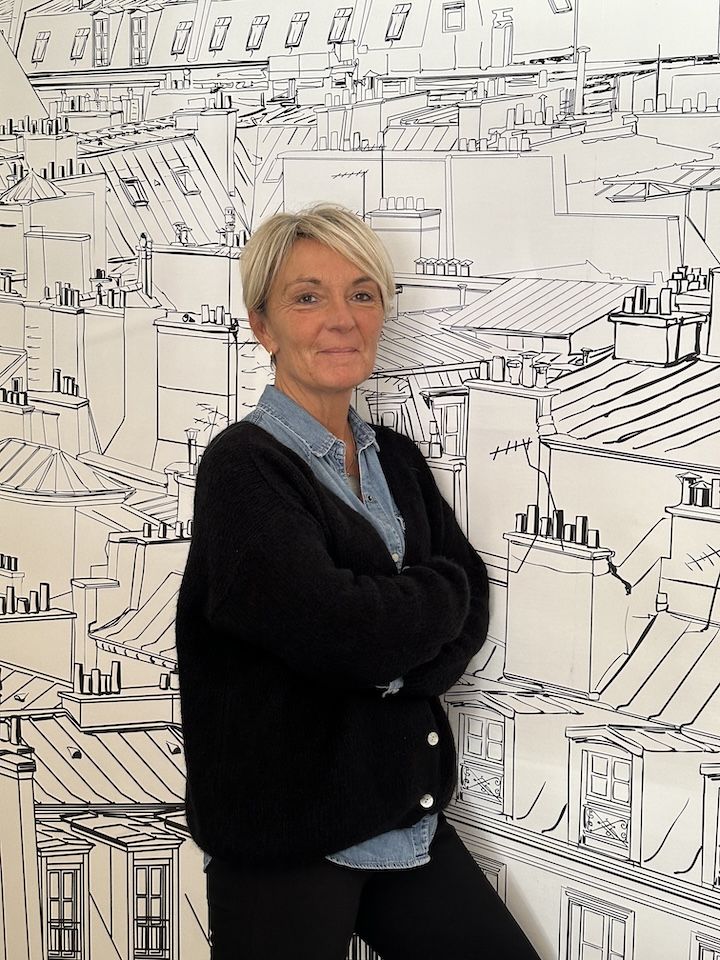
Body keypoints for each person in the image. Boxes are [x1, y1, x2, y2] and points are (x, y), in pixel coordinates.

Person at [175, 204, 540, 960]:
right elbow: (343, 631)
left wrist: (388, 655)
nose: (342, 318)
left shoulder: (395, 458)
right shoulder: (244, 467)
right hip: (286, 836)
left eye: (362, 294)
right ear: (264, 326)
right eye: (308, 297)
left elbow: (467, 599)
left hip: (398, 816)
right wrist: (404, 627)